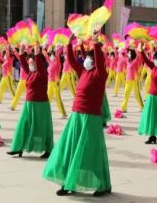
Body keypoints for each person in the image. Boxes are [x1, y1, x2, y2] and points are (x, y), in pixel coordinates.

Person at [42, 31, 111, 197]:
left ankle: (102, 185)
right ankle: (68, 182)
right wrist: (70, 43)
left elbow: (100, 61)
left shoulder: (100, 73)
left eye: (90, 58)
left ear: (95, 61)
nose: (86, 60)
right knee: (69, 149)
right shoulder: (84, 72)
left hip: (91, 117)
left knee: (91, 152)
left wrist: (95, 44)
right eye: (86, 58)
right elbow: (72, 61)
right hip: (77, 115)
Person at [7, 43, 53, 157]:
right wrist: (21, 53)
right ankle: (18, 148)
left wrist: (37, 52)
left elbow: (39, 63)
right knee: (23, 125)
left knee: (42, 128)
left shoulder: (42, 73)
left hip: (41, 105)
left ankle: (48, 150)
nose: (30, 64)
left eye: (33, 62)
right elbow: (23, 64)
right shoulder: (30, 73)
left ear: (38, 64)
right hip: (29, 104)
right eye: (30, 62)